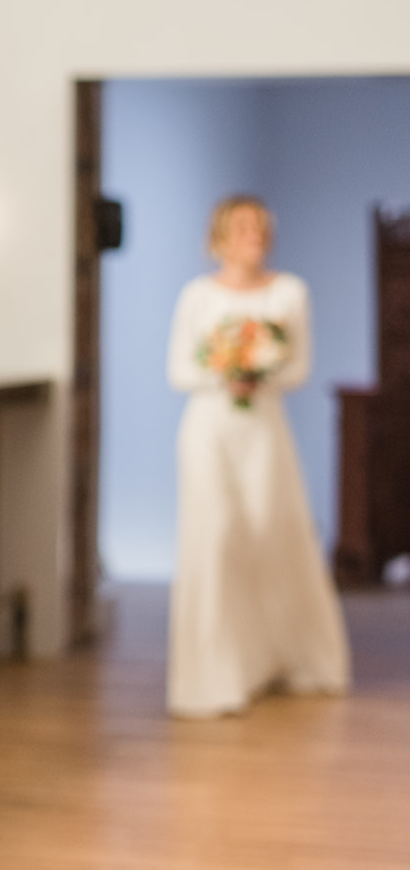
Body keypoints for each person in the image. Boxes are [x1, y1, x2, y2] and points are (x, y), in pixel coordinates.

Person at [165, 195, 349, 718]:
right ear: (220, 235)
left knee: (273, 532)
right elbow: (179, 370)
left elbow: (299, 368)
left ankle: (282, 660)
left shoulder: (290, 292)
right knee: (214, 538)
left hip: (264, 429)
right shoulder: (197, 295)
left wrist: (260, 370)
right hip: (209, 429)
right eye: (244, 227)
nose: (256, 235)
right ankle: (213, 675)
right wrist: (225, 370)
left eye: (262, 226)